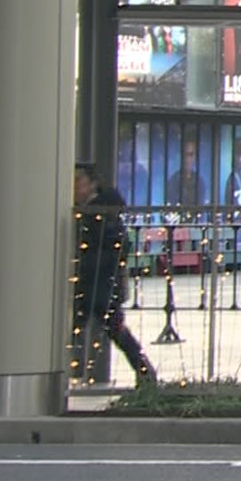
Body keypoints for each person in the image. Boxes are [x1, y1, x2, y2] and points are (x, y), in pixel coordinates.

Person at [71, 163, 156, 386]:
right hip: (97, 283)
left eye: (78, 181)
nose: (74, 187)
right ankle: (145, 372)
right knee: (111, 330)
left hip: (99, 283)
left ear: (92, 184)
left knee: (110, 329)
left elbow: (113, 248)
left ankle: (145, 372)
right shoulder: (96, 212)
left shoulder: (100, 214)